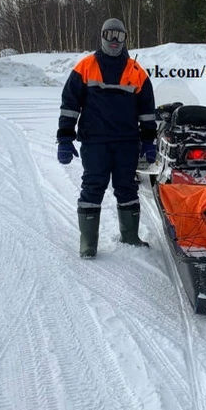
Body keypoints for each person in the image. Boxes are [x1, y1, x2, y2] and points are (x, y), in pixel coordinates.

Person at [56, 18, 158, 256]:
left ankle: (130, 236)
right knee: (93, 188)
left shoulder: (136, 72)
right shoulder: (85, 67)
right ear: (101, 36)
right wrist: (64, 138)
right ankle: (88, 243)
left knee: (127, 188)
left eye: (120, 36)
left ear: (125, 39)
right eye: (110, 34)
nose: (114, 40)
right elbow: (69, 106)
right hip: (95, 143)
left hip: (126, 143)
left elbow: (147, 112)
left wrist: (149, 141)